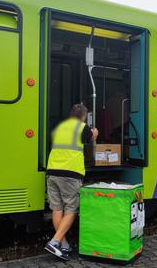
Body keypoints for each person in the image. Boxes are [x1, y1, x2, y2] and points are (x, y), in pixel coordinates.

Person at [44, 104, 98, 261]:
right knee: (71, 210)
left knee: (57, 208)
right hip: (70, 173)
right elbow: (91, 138)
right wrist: (94, 132)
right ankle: (54, 242)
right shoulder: (82, 127)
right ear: (84, 116)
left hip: (52, 171)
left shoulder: (60, 127)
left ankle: (64, 245)